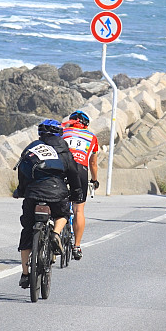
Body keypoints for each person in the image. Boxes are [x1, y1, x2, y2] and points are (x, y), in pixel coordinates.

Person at [14, 119, 83, 288]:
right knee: (63, 215)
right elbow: (74, 174)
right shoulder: (65, 151)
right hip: (57, 192)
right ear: (60, 133)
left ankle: (24, 274)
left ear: (40, 133)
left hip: (32, 194)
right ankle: (56, 234)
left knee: (27, 231)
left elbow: (22, 172)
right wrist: (77, 193)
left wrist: (21, 191)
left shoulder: (32, 148)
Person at [61, 110, 98, 261]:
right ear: (86, 125)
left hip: (61, 168)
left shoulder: (62, 132)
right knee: (79, 210)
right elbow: (93, 163)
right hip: (80, 171)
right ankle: (77, 246)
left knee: (55, 199)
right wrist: (94, 180)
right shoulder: (91, 137)